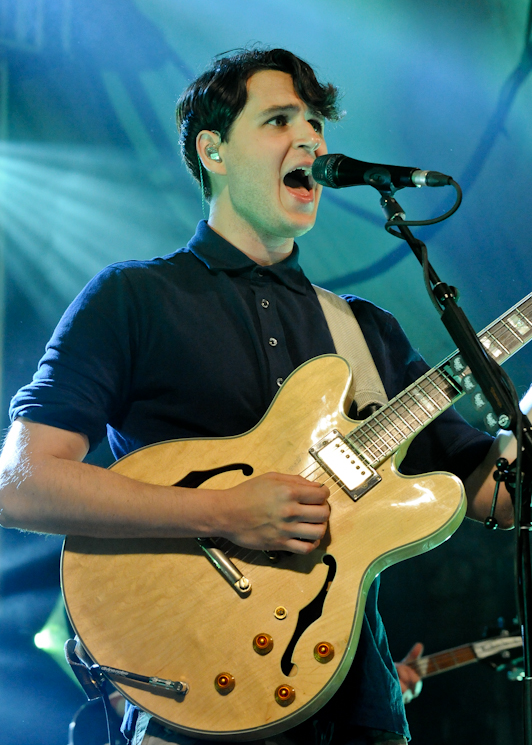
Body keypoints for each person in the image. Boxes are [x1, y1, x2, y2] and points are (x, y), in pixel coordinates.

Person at [0, 48, 521, 745]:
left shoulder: (364, 330)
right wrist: (225, 511)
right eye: (279, 120)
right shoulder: (134, 299)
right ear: (212, 150)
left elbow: (497, 491)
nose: (309, 140)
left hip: (356, 710)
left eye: (314, 124)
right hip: (189, 702)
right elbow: (21, 483)